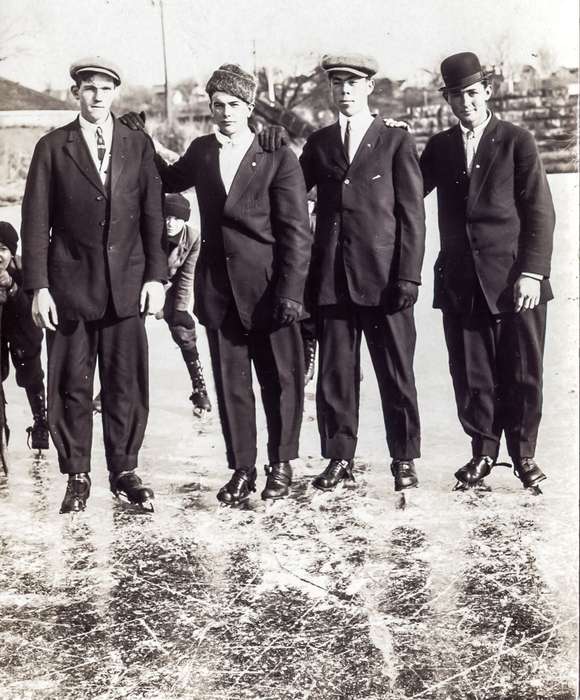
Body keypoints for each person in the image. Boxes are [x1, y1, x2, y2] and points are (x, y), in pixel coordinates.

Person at [134, 64, 311, 506]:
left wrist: (291, 291)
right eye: (218, 105)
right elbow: (169, 179)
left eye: (234, 105)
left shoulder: (276, 154)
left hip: (270, 289)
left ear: (250, 108)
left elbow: (295, 231)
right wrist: (142, 140)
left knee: (280, 381)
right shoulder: (203, 150)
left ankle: (282, 464)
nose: (225, 112)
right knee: (232, 385)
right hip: (220, 290)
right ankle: (242, 469)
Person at [21, 56, 166, 514]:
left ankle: (124, 471)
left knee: (126, 384)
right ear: (75, 93)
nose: (97, 96)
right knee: (71, 385)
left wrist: (157, 276)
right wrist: (39, 286)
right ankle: (77, 475)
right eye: (88, 88)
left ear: (115, 93)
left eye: (105, 88)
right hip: (69, 291)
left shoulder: (136, 145)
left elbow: (152, 216)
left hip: (126, 287)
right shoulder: (52, 146)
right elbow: (34, 222)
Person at [420, 52, 555, 492]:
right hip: (462, 281)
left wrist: (532, 273)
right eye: (456, 96)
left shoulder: (517, 140)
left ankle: (524, 454)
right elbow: (407, 188)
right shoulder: (439, 147)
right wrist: (392, 138)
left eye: (473, 93)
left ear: (487, 92)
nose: (466, 103)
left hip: (515, 281)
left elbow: (540, 212)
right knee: (472, 372)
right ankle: (482, 452)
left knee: (521, 370)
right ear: (447, 99)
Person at [299, 54, 426, 493]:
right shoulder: (319, 142)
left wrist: (408, 275)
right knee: (335, 374)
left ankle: (404, 458)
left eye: (353, 82)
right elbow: (291, 189)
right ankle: (339, 458)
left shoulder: (395, 142)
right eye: (337, 83)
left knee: (396, 372)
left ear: (370, 86)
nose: (345, 90)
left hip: (385, 279)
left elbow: (412, 214)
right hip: (333, 279)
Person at [158, 193, 212, 416]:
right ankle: (107, 392)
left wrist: (180, 309)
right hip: (141, 285)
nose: (171, 223)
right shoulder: (153, 230)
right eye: (167, 217)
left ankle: (199, 389)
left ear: (185, 221)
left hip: (169, 287)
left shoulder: (193, 237)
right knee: (128, 337)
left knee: (185, 332)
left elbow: (187, 274)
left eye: (177, 219)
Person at [0, 222, 48, 451]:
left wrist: (11, 288)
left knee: (30, 368)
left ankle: (41, 420)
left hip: (22, 327)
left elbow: (30, 313)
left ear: (11, 251)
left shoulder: (24, 269)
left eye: (2, 249)